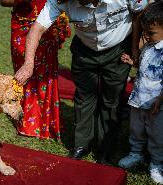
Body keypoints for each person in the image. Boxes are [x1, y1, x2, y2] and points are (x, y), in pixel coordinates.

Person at [14, 0, 148, 164]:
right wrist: (28, 64)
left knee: (111, 100)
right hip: (85, 49)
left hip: (118, 48)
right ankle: (81, 145)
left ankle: (105, 148)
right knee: (84, 98)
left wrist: (135, 46)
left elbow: (140, 12)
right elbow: (37, 28)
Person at [1, 0, 70, 139]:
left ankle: (46, 123)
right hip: (22, 26)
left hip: (46, 25)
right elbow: (4, 1)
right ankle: (25, 120)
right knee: (24, 73)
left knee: (45, 75)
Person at [118, 1, 163, 184]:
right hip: (138, 99)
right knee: (136, 129)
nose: (146, 36)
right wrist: (132, 62)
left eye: (151, 33)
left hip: (157, 104)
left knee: (157, 134)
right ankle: (135, 153)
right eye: (145, 32)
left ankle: (157, 163)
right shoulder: (148, 47)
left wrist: (160, 99)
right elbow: (145, 67)